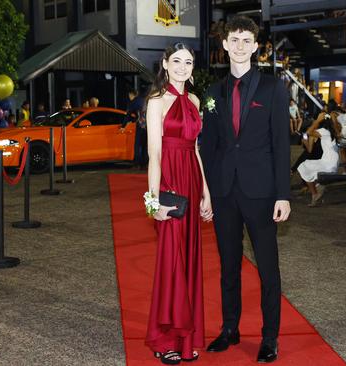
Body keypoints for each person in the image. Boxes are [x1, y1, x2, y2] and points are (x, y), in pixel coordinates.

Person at [200, 15, 290, 364]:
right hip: (224, 191)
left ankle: (270, 338)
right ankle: (229, 329)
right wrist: (207, 193)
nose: (239, 46)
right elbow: (208, 147)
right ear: (224, 45)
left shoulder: (272, 87)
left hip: (263, 192)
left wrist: (283, 193)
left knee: (268, 269)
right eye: (233, 40)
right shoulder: (212, 92)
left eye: (245, 41)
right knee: (228, 266)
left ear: (256, 46)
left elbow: (281, 144)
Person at [144, 43, 213, 364]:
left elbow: (196, 149)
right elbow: (154, 154)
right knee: (172, 262)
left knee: (189, 261)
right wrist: (152, 201)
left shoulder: (196, 101)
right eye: (177, 61)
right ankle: (165, 338)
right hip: (169, 182)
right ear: (165, 64)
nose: (183, 67)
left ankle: (186, 341)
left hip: (191, 178)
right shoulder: (156, 101)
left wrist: (206, 192)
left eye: (188, 62)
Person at [297, 111, 340, 206]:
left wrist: (317, 120)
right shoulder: (332, 131)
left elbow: (308, 132)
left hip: (328, 163)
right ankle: (317, 189)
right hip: (331, 162)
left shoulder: (324, 132)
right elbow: (309, 148)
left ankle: (315, 193)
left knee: (302, 166)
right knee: (306, 165)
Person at [121, 89, 147, 169]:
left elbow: (128, 115)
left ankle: (137, 164)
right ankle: (145, 164)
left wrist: (123, 126)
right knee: (145, 145)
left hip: (140, 125)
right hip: (148, 126)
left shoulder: (133, 102)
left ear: (131, 94)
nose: (129, 97)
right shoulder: (144, 100)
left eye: (129, 95)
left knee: (137, 145)